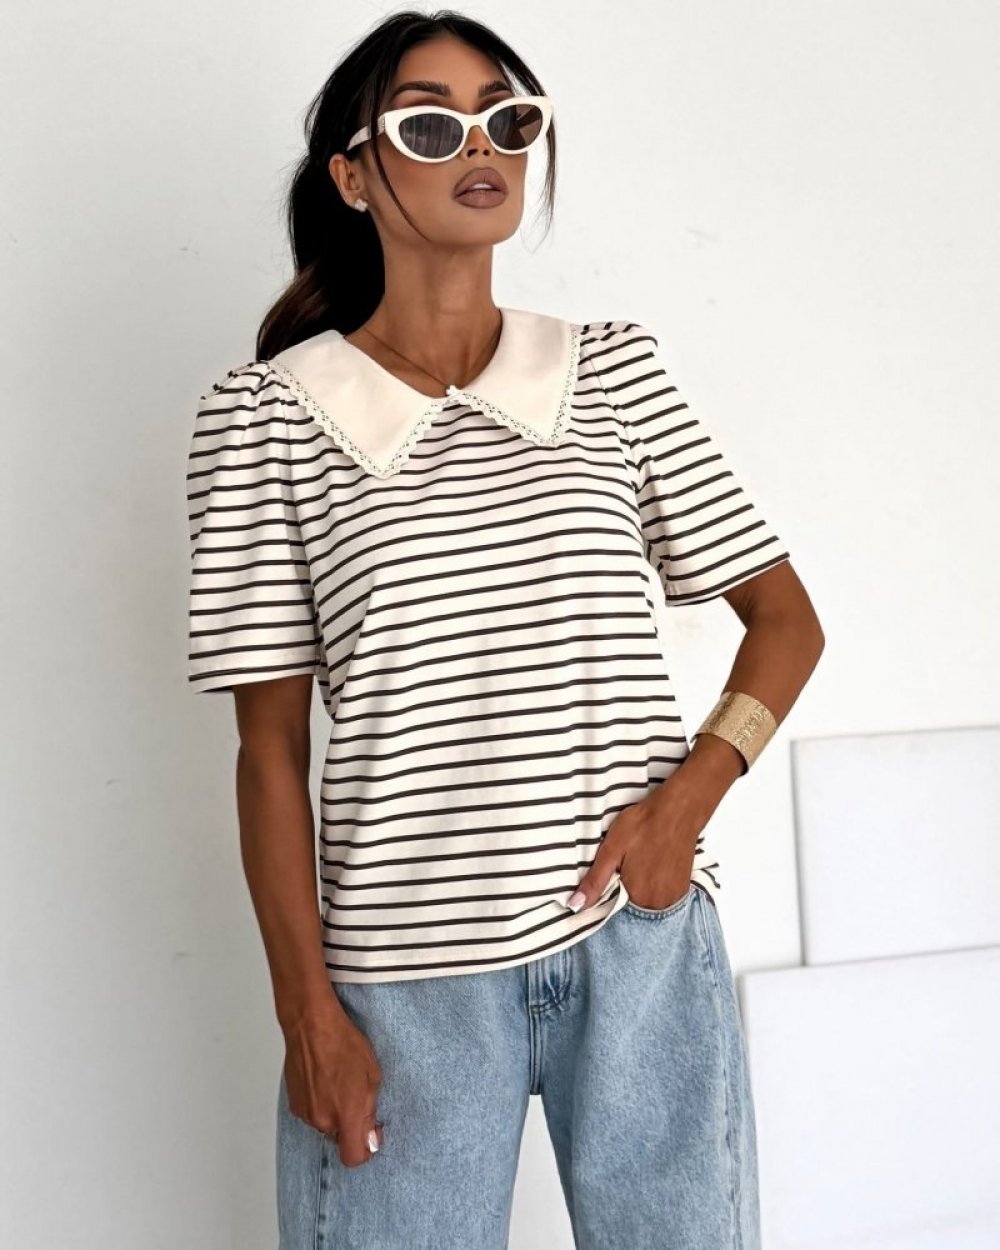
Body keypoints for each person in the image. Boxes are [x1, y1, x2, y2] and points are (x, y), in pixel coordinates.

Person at [185, 10, 824, 1249]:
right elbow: (268, 750)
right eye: (432, 125)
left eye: (508, 119)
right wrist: (306, 1012)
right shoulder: (265, 417)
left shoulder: (612, 372)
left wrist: (682, 807)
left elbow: (785, 621)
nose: (481, 146)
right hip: (401, 990)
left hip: (638, 943)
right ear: (355, 176)